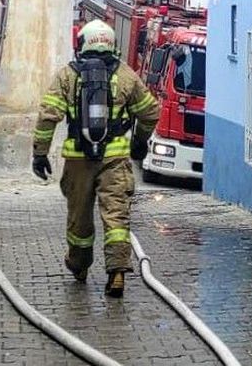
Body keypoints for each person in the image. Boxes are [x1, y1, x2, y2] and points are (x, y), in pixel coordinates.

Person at [32, 19, 160, 298]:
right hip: (115, 158)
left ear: (83, 43)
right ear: (111, 44)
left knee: (79, 219)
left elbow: (47, 115)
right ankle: (116, 273)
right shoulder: (126, 75)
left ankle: (79, 266)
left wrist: (39, 153)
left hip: (78, 159)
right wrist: (139, 141)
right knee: (116, 216)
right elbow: (150, 111)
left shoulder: (68, 75)